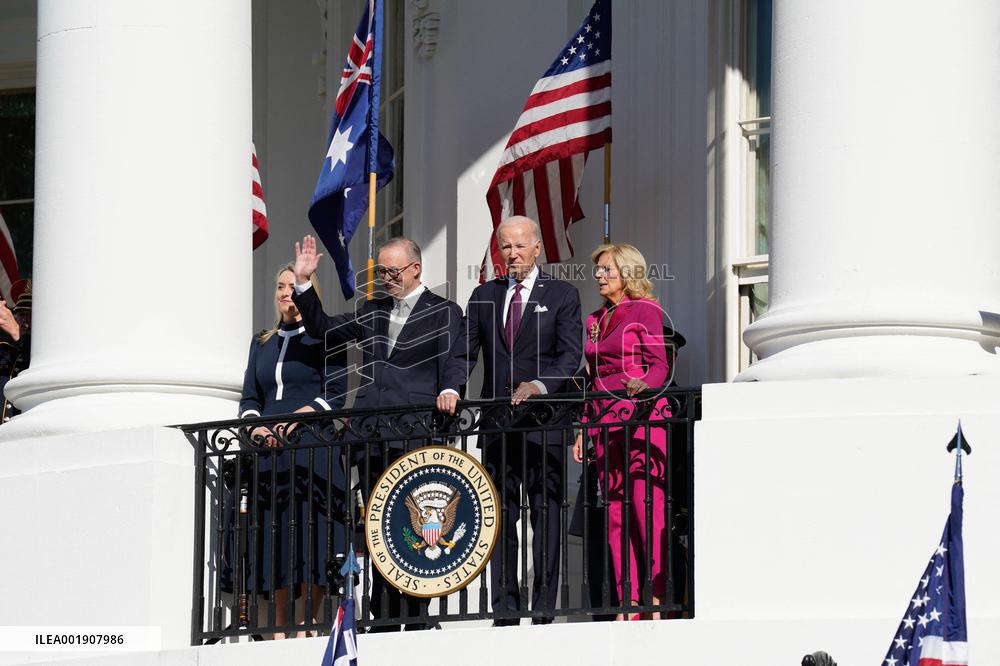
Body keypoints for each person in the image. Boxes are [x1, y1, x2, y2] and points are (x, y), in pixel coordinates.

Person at [291, 234, 462, 631]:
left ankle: (415, 618)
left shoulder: (444, 311)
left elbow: (455, 360)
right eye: (382, 271)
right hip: (371, 437)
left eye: (393, 271)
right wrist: (303, 282)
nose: (386, 278)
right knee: (380, 529)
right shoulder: (372, 309)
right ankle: (382, 616)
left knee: (415, 530)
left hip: (415, 435)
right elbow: (323, 329)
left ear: (416, 268)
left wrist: (452, 390)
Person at [437, 216, 583, 625]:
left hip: (544, 422)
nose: (513, 253)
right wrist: (451, 387)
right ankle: (505, 610)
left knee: (546, 516)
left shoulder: (563, 294)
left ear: (537, 248)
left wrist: (539, 384)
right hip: (498, 423)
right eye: (506, 247)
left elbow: (570, 355)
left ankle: (543, 611)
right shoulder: (484, 295)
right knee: (500, 517)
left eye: (520, 245)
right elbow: (463, 352)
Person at [236, 264, 348, 638]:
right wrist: (256, 426)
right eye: (281, 287)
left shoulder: (326, 337)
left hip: (311, 444)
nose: (287, 293)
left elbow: (336, 395)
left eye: (294, 287)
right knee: (277, 530)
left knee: (312, 528)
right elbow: (250, 398)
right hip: (270, 449)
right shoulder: (261, 342)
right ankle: (280, 620)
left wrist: (298, 418)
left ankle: (308, 620)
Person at [572, 243, 670, 621]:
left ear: (627, 273)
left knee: (646, 508)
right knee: (615, 512)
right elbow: (592, 379)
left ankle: (655, 597)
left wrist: (644, 385)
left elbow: (659, 366)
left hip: (641, 418)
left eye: (606, 270)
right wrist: (584, 428)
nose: (599, 276)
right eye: (597, 270)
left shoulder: (646, 310)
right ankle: (627, 601)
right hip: (604, 421)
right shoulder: (594, 319)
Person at [0, 280, 31, 422]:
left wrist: (15, 330)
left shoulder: (47, 349)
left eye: (31, 314)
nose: (25, 320)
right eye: (21, 314)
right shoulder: (6, 349)